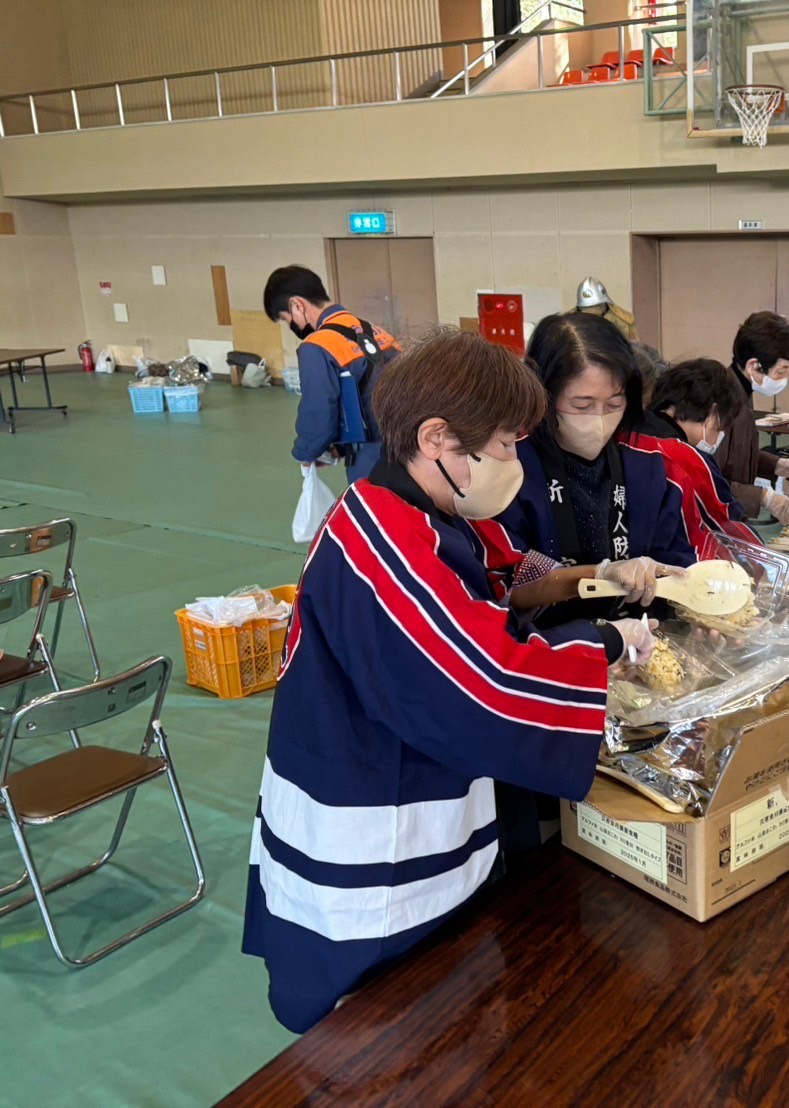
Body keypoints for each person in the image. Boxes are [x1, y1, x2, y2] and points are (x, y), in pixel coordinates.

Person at [242, 330, 658, 1034]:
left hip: (409, 791)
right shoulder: (380, 542)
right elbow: (485, 683)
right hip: (373, 834)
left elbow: (505, 571)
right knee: (381, 1030)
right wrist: (609, 644)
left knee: (444, 1006)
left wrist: (595, 578)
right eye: (502, 445)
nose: (513, 462)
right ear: (436, 438)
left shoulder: (421, 508)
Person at [491, 311, 695, 631]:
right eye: (582, 405)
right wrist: (597, 575)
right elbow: (505, 578)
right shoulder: (507, 464)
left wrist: (698, 608)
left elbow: (676, 564)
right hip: (545, 648)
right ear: (543, 395)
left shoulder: (649, 466)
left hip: (643, 640)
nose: (599, 420)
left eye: (614, 404)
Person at [264, 265, 399, 482]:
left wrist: (307, 453)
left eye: (285, 318)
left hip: (372, 459)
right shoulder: (374, 330)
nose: (290, 324)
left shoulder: (317, 346)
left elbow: (318, 412)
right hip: (408, 445)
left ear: (297, 305)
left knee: (372, 504)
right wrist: (341, 448)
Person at [637, 357, 761, 547]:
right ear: (713, 412)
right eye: (722, 427)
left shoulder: (628, 434)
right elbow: (729, 528)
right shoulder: (686, 457)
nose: (719, 435)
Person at [716, 311, 789, 524]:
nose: (784, 379)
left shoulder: (742, 392)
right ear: (753, 365)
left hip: (732, 516)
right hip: (715, 519)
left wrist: (776, 464)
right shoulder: (721, 401)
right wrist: (763, 497)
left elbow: (736, 454)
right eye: (781, 371)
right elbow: (706, 479)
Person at [570, 276, 638, 341]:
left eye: (596, 307)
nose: (591, 312)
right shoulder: (569, 321)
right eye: (585, 308)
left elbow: (633, 346)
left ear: (604, 304)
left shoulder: (624, 320)